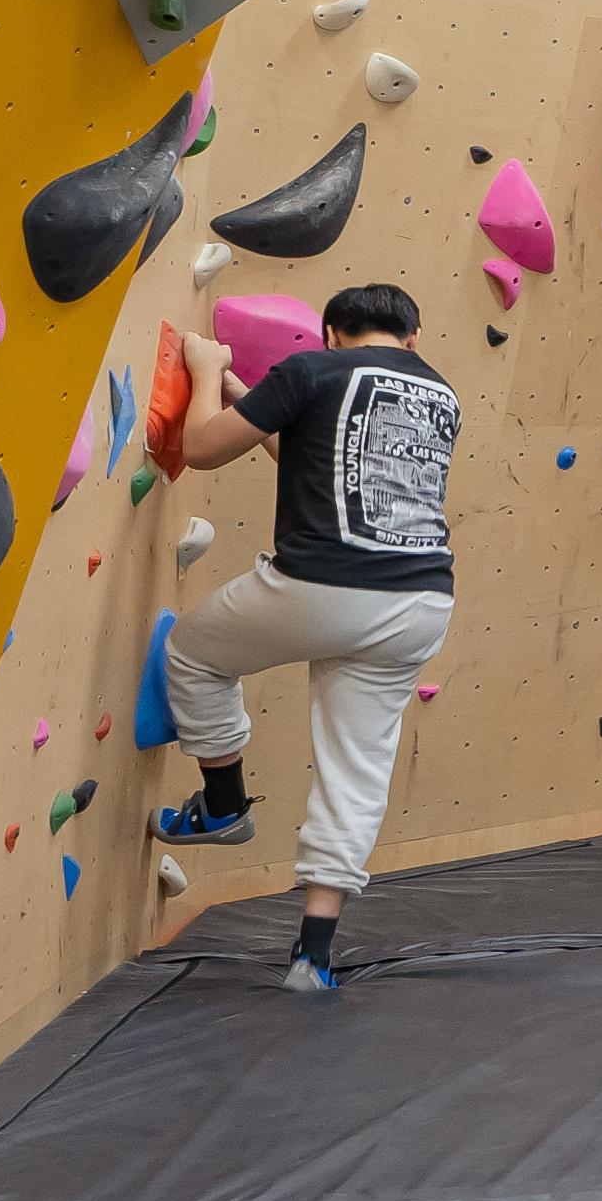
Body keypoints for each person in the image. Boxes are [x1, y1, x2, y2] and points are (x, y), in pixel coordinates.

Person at [145, 284, 462, 999]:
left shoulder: (313, 371)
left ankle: (223, 804)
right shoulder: (440, 395)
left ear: (328, 332)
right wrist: (246, 398)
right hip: (419, 605)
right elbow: (322, 464)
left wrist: (201, 373)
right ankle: (312, 955)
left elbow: (197, 448)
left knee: (194, 654)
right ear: (413, 338)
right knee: (357, 769)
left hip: (323, 588)